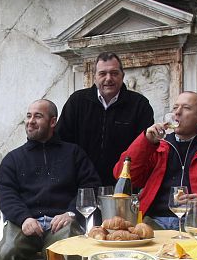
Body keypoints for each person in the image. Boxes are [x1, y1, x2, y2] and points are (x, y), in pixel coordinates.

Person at [0, 99, 100, 260]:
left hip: (62, 222)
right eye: (28, 116)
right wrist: (23, 218)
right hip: (24, 223)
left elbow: (90, 187)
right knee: (7, 252)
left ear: (53, 122)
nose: (30, 121)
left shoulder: (74, 153)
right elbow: (7, 194)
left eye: (38, 116)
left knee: (70, 247)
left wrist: (71, 213)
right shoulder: (13, 159)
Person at [113, 91, 197, 234]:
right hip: (153, 222)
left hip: (196, 223)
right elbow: (123, 175)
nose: (177, 113)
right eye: (175, 108)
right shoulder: (158, 147)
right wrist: (145, 142)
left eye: (186, 108)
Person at [57, 52, 154, 186]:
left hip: (124, 185)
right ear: (95, 77)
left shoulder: (139, 105)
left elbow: (145, 149)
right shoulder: (77, 101)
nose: (109, 78)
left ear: (122, 76)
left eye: (114, 73)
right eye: (102, 74)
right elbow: (62, 142)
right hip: (81, 185)